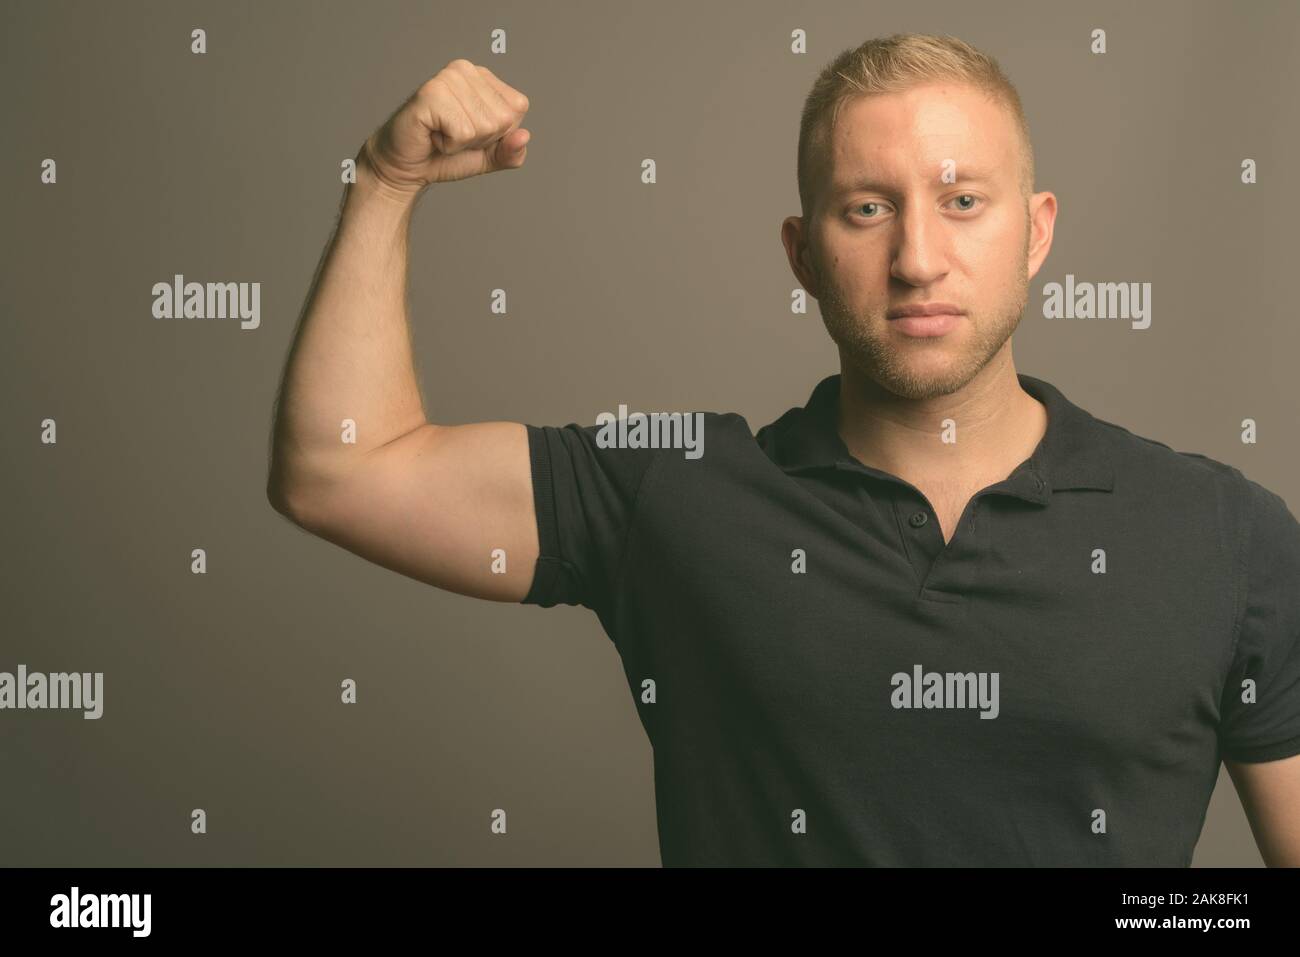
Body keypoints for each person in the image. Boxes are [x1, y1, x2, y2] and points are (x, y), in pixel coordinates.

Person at [266, 34, 1300, 866]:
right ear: (803, 255)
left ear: (1034, 234)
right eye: (866, 208)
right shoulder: (671, 492)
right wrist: (387, 180)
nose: (917, 258)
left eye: (961, 202)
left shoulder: (1223, 533)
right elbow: (341, 472)